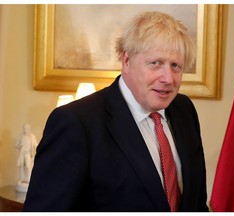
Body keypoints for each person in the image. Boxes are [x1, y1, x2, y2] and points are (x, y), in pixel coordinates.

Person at [23, 11, 208, 212]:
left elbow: (196, 202)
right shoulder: (76, 123)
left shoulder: (184, 110)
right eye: (156, 63)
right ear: (126, 60)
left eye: (176, 66)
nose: (168, 78)